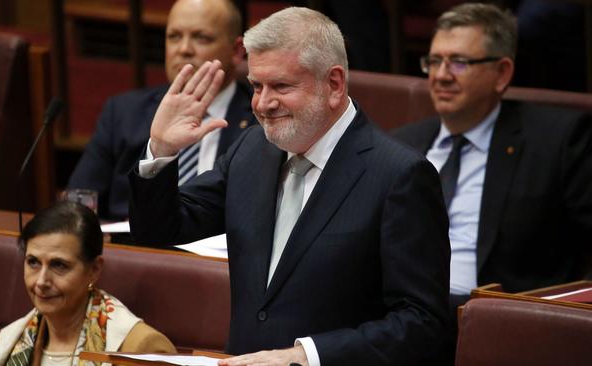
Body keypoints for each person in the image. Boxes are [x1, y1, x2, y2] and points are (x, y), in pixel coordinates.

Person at [129, 7, 450, 365]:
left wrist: (304, 356)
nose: (263, 104)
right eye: (256, 86)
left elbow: (422, 323)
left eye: (281, 86)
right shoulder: (252, 150)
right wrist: (160, 150)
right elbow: (159, 229)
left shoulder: (399, 176)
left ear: (334, 84)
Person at [391, 0, 592, 335]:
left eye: (458, 63)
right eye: (435, 61)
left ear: (502, 73)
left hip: (498, 322)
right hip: (400, 315)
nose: (441, 76)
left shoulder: (557, 141)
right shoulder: (402, 144)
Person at [67, 0, 255, 221]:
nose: (184, 49)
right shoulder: (123, 112)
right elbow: (78, 200)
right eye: (174, 36)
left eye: (201, 37)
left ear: (236, 51)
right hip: (132, 245)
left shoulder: (258, 118)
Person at [0, 201, 176, 365]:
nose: (41, 281)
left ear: (94, 270)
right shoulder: (11, 339)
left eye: (59, 265)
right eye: (33, 262)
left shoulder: (141, 349)